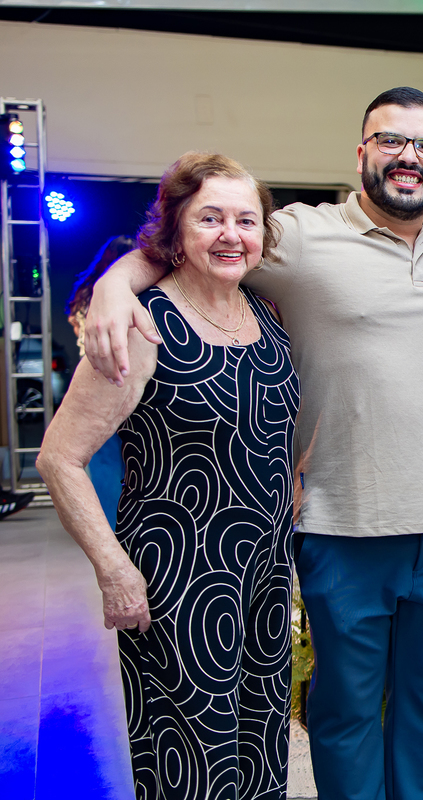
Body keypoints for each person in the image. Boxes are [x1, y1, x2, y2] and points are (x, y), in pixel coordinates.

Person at [83, 87, 423, 800]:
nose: (408, 157)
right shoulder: (297, 235)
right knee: (346, 711)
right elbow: (196, 243)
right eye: (390, 140)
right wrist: (116, 283)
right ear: (362, 153)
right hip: (342, 526)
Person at [38, 153, 299, 799]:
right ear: (175, 231)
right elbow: (59, 458)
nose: (231, 234)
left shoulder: (268, 317)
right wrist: (113, 569)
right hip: (179, 586)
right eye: (210, 218)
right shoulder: (142, 324)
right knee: (193, 768)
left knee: (261, 750)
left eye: (246, 220)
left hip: (262, 578)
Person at [66, 234, 137, 529]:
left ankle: (109, 524)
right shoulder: (128, 293)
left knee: (103, 458)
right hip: (124, 375)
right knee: (132, 455)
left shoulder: (86, 294)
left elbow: (77, 329)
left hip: (90, 376)